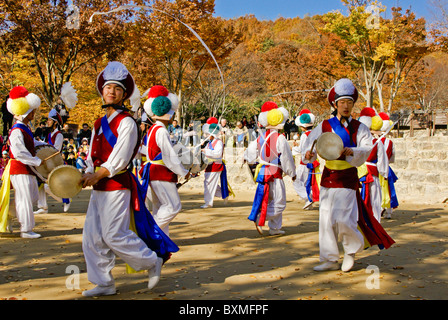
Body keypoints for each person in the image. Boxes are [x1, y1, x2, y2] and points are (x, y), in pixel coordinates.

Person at [80, 62, 177, 297]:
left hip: (117, 185)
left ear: (124, 94)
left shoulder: (127, 122)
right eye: (108, 87)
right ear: (102, 91)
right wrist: (87, 172)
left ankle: (151, 261)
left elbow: (120, 157)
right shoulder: (96, 124)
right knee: (92, 237)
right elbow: (93, 155)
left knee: (114, 234)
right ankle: (104, 283)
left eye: (117, 88)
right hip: (99, 187)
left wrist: (99, 173)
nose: (111, 91)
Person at [302, 78, 395, 272]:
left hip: (348, 177)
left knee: (344, 218)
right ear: (335, 104)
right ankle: (329, 258)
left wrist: (353, 151)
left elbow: (367, 148)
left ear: (353, 104)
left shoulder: (360, 127)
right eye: (342, 102)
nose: (346, 106)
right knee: (326, 218)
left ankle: (350, 252)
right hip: (328, 176)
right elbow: (309, 145)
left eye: (349, 102)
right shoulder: (325, 125)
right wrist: (308, 155)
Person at [141, 85, 190, 236]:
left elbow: (144, 150)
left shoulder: (152, 129)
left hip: (152, 171)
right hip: (161, 172)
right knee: (173, 206)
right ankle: (151, 233)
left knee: (160, 207)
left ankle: (162, 240)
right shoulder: (161, 130)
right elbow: (169, 157)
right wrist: (184, 171)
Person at [0, 86, 47, 238]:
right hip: (19, 167)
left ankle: (9, 215)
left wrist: (46, 147)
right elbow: (20, 152)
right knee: (25, 198)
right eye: (32, 111)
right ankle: (26, 229)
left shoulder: (24, 128)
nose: (34, 113)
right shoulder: (16, 130)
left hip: (26, 168)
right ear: (26, 111)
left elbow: (32, 143)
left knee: (31, 197)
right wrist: (36, 161)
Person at [245, 102, 296, 236]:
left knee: (270, 199)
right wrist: (292, 173)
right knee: (279, 202)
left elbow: (250, 155)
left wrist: (251, 160)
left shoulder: (260, 138)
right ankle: (261, 217)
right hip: (275, 173)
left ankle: (275, 228)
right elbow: (286, 158)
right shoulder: (280, 138)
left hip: (263, 172)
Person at [35, 108, 71, 214]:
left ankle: (66, 199)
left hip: (55, 163)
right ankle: (43, 207)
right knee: (41, 184)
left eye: (50, 120)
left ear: (55, 123)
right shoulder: (49, 134)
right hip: (47, 162)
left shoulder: (58, 135)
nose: (48, 122)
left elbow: (56, 150)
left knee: (50, 185)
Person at [358, 108, 389, 223]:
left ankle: (360, 220)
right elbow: (382, 160)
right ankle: (376, 221)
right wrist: (384, 173)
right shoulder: (377, 142)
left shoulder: (358, 141)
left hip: (359, 172)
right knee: (375, 198)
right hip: (372, 172)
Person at [200, 123, 234, 209]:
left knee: (209, 184)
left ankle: (208, 203)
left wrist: (205, 151)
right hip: (209, 166)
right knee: (208, 183)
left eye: (208, 134)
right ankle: (224, 193)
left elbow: (218, 154)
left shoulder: (219, 142)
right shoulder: (209, 143)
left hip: (216, 165)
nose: (207, 135)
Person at [292, 109, 320, 210]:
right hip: (313, 162)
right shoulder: (315, 134)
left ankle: (308, 198)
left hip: (304, 163)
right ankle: (308, 201)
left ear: (302, 126)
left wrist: (294, 148)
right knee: (309, 183)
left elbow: (302, 150)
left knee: (297, 181)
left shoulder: (304, 136)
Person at [378, 112, 399, 219]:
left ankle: (379, 208)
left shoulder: (374, 141)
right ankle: (388, 211)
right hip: (387, 167)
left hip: (375, 167)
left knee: (378, 188)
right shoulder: (390, 142)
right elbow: (392, 158)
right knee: (388, 188)